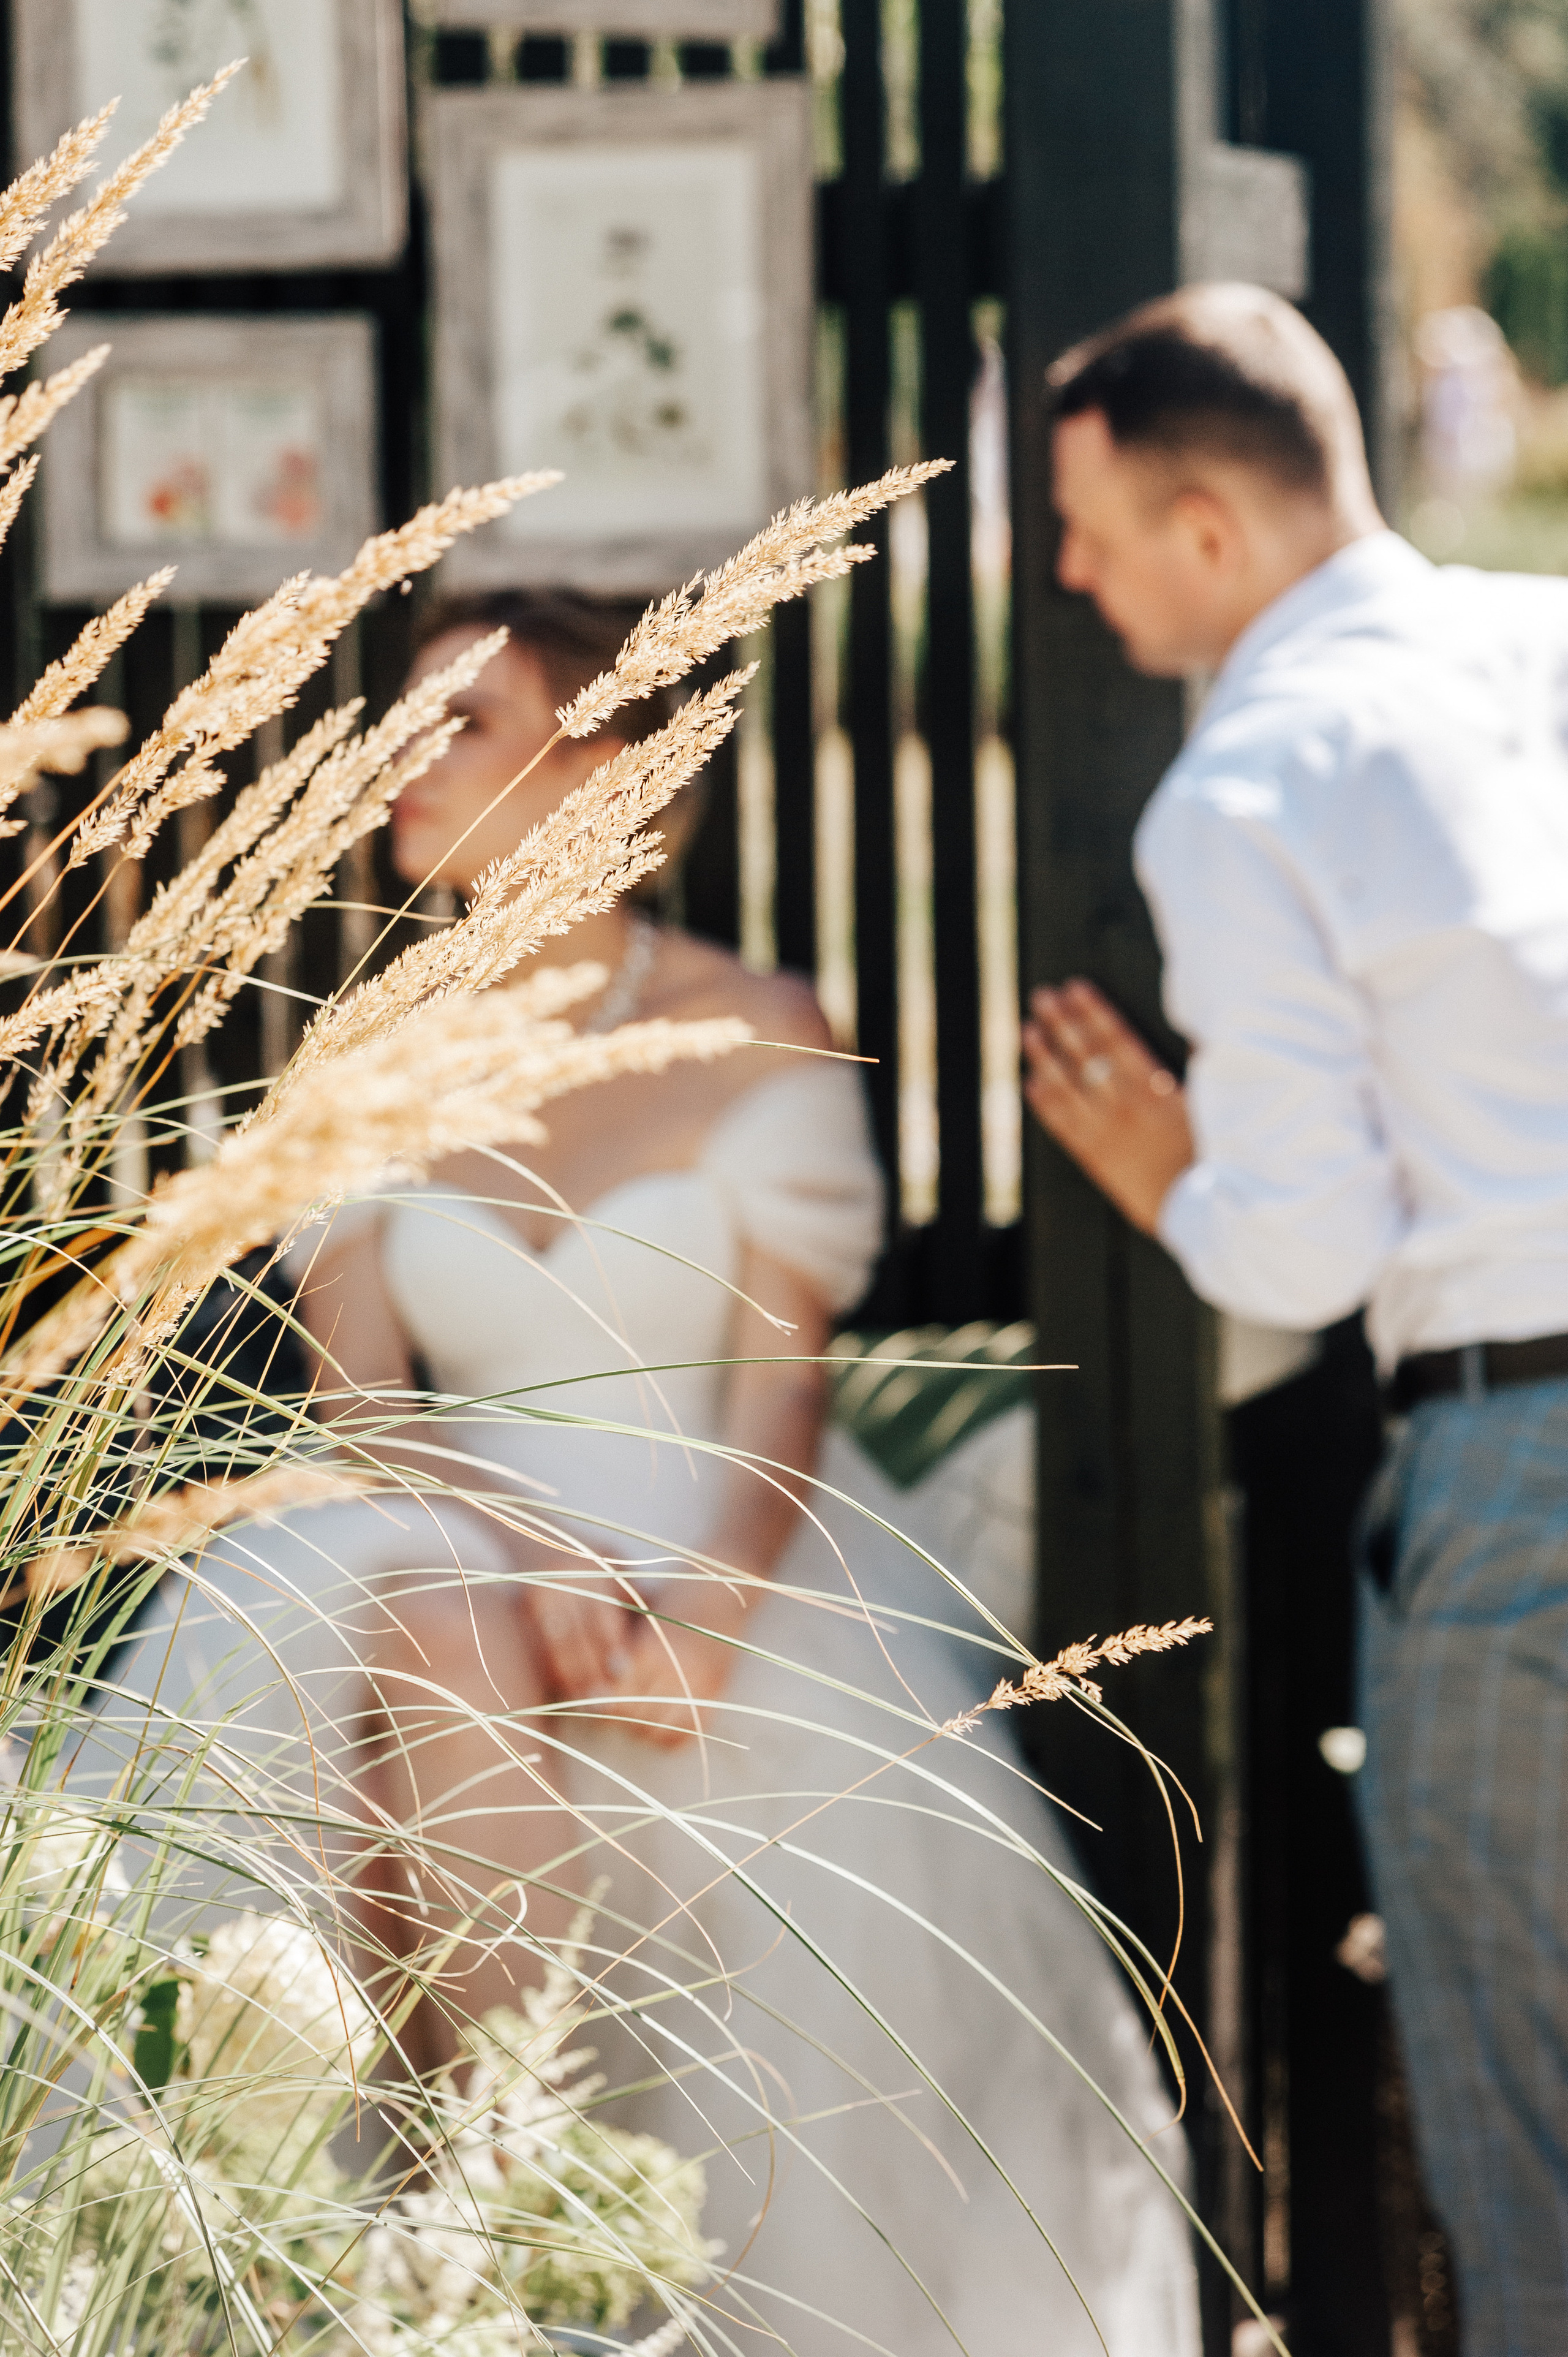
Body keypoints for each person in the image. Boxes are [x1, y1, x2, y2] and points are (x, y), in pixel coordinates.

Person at [89, 591, 1200, 2356]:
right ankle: (506, 2213)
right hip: (451, 1518)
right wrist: (531, 1547)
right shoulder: (374, 1049)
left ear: (602, 760)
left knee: (543, 1681)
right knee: (441, 1619)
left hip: (712, 1529)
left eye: (463, 722)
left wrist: (709, 1608)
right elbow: (358, 1408)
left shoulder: (751, 1023)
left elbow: (781, 1396)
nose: (403, 760)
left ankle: (512, 2233)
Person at [1022, 281, 1568, 2356]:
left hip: (1525, 1481)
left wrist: (1171, 1180)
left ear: (1213, 534)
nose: (1066, 576)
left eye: (1086, 530)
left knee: (1528, 2128)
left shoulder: (1242, 784)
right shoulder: (1547, 638)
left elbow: (1310, 1252)